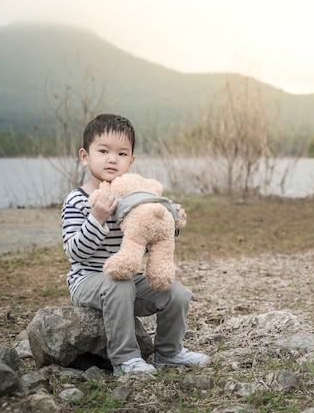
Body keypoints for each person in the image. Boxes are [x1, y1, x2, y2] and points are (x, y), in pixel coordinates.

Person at [61, 113, 209, 376]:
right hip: (88, 281)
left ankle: (169, 351)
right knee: (119, 286)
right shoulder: (77, 200)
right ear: (85, 156)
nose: (112, 159)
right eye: (103, 151)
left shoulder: (136, 198)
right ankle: (125, 359)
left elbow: (149, 244)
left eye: (121, 154)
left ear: (131, 161)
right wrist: (97, 218)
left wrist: (168, 222)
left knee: (178, 293)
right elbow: (74, 252)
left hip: (128, 280)